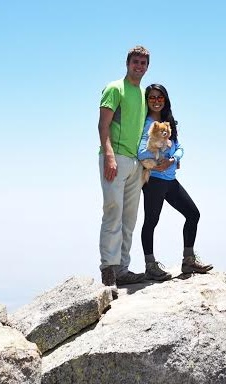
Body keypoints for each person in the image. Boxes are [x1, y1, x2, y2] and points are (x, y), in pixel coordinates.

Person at [137, 84, 213, 280]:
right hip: (154, 181)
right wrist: (155, 163)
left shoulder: (168, 121)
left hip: (170, 180)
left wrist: (174, 159)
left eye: (159, 97)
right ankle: (150, 265)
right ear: (147, 101)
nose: (156, 101)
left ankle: (188, 261)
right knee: (151, 222)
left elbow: (179, 147)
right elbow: (141, 151)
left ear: (165, 100)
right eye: (152, 97)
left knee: (193, 214)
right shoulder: (144, 123)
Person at [97, 46, 150, 287]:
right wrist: (109, 156)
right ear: (127, 63)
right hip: (115, 158)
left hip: (136, 164)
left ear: (147, 67)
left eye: (143, 63)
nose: (139, 66)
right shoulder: (114, 88)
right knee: (112, 212)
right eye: (135, 62)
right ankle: (109, 269)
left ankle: (123, 269)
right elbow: (102, 125)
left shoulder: (141, 94)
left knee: (129, 219)